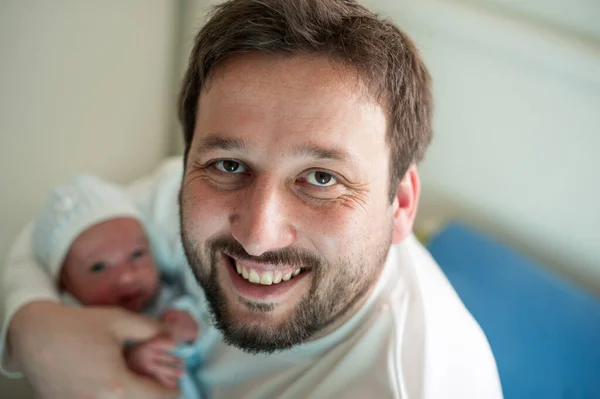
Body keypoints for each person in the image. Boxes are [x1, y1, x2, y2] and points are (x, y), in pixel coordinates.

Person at [0, 1, 504, 398]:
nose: (257, 236)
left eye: (322, 178)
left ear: (401, 204)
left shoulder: (418, 384)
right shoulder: (177, 193)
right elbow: (56, 229)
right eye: (230, 164)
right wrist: (32, 330)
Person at [30, 175, 206, 398]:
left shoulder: (168, 296)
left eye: (137, 254)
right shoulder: (77, 327)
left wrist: (187, 321)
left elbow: (204, 331)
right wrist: (132, 361)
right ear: (65, 285)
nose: (126, 276)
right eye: (99, 267)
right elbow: (87, 374)